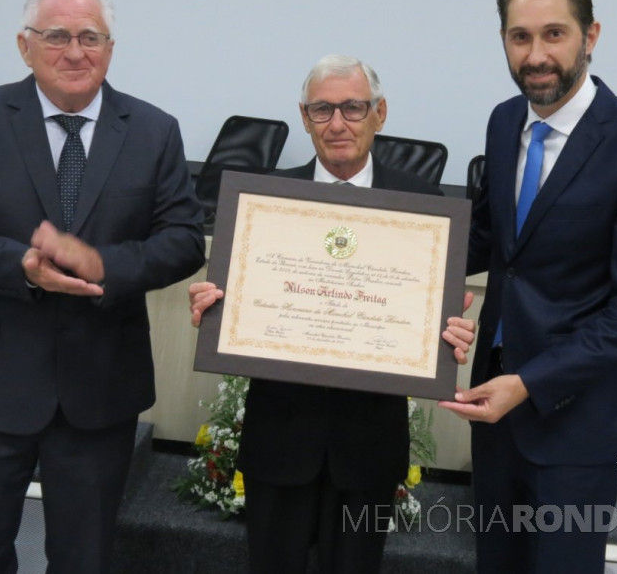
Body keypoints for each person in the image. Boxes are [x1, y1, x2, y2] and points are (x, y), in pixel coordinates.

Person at [0, 0, 205, 573]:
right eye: (57, 36)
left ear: (111, 48)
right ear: (25, 46)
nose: (76, 51)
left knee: (83, 558)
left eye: (90, 37)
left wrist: (107, 264)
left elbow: (182, 241)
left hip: (101, 386)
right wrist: (20, 265)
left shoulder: (154, 130)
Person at [438, 0, 617, 573]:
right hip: (492, 402)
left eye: (554, 34)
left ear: (591, 35)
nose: (536, 54)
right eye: (520, 37)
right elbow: (494, 241)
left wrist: (529, 384)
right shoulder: (504, 122)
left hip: (578, 416)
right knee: (496, 561)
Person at [188, 54, 475, 574]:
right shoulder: (265, 203)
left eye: (353, 108)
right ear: (304, 116)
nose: (337, 123)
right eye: (322, 109)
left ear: (380, 114)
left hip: (368, 446)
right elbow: (242, 306)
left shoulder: (421, 207)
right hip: (279, 439)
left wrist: (447, 332)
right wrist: (215, 310)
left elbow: (428, 317)